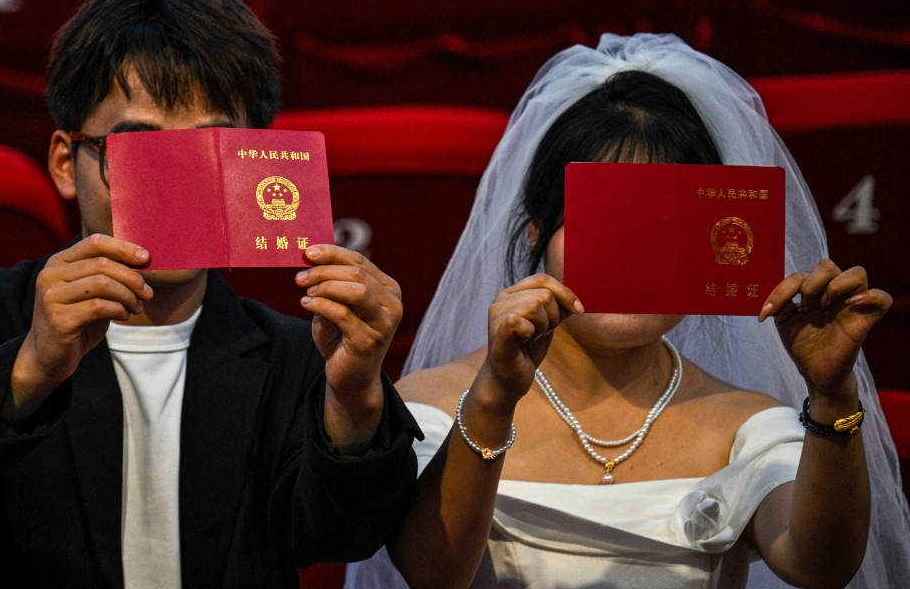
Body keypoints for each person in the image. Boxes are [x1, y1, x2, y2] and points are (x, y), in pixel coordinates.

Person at [0, 0, 421, 588]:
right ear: (66, 162)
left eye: (209, 152)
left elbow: (345, 536)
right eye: (140, 148)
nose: (178, 191)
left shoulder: (301, 356)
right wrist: (29, 370)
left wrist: (355, 396)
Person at [346, 34, 910, 588]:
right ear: (537, 232)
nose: (632, 255)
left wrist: (833, 395)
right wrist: (494, 398)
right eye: (603, 222)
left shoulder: (749, 424)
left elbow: (820, 567)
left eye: (666, 229)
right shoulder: (431, 405)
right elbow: (433, 573)